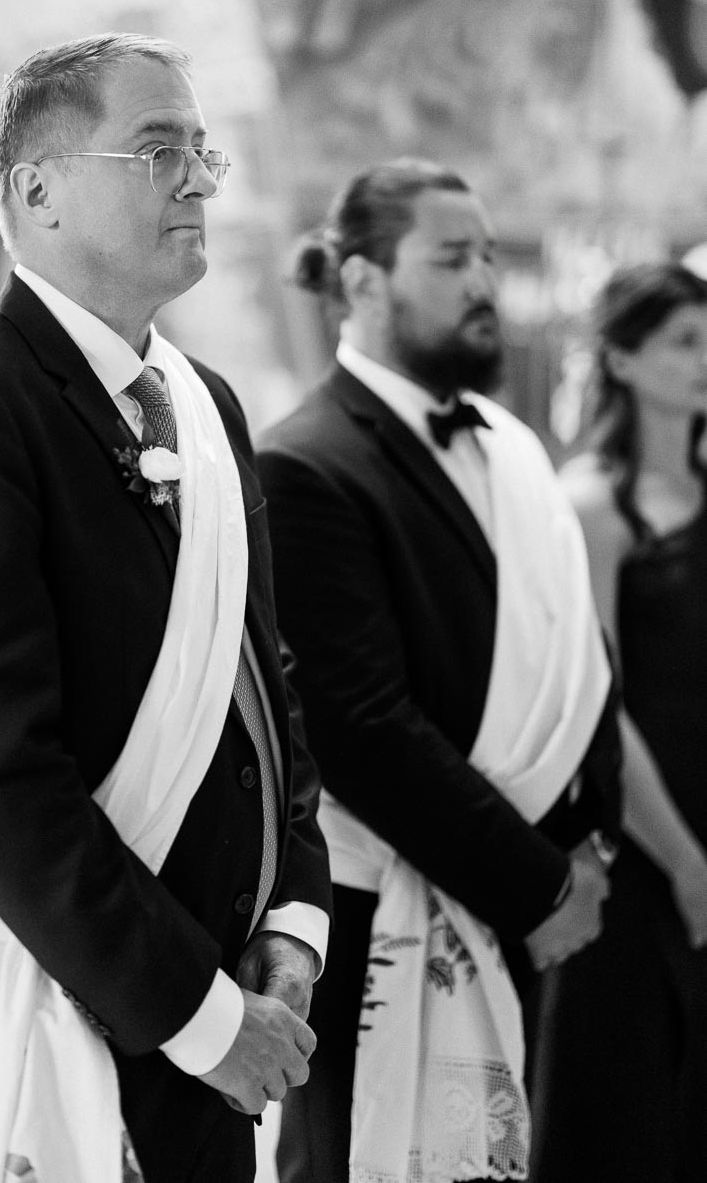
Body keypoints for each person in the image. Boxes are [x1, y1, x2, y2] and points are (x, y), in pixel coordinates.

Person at [0, 32, 332, 1183]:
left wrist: (292, 929)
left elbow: (269, 696)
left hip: (229, 1015)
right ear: (38, 191)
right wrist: (198, 1016)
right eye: (160, 150)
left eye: (203, 151)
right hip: (83, 1010)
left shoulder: (205, 405)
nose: (204, 181)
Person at [255, 158, 622, 1183]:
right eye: (452, 257)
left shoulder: (506, 442)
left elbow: (576, 657)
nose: (483, 282)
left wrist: (587, 848)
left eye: (489, 257)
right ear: (363, 278)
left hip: (539, 903)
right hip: (398, 918)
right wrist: (543, 887)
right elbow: (364, 730)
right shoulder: (307, 460)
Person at [529, 261, 707, 1183]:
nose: (704, 359)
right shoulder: (592, 505)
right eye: (684, 341)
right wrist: (686, 864)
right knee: (632, 1113)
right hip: (642, 844)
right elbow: (600, 703)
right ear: (625, 360)